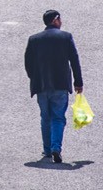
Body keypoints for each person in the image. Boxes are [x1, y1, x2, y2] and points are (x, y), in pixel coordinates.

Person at [23, 9, 83, 165]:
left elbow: (28, 63)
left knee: (45, 117)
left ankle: (48, 149)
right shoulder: (65, 37)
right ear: (55, 20)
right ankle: (56, 147)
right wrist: (78, 82)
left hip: (41, 85)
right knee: (58, 117)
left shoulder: (34, 39)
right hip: (60, 84)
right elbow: (74, 60)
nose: (61, 22)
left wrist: (34, 78)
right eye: (60, 19)